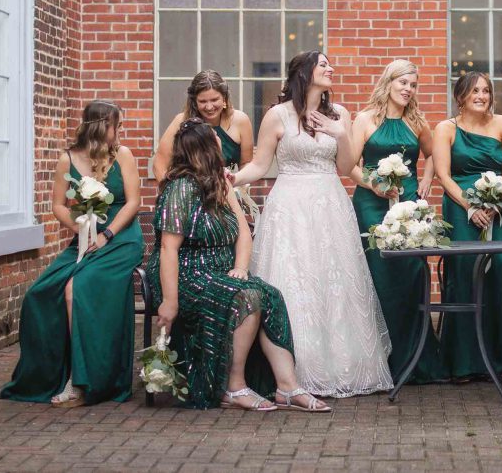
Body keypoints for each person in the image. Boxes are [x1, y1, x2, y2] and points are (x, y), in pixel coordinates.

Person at [232, 51, 393, 397]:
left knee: (334, 283)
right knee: (293, 281)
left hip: (330, 205)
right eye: (323, 65)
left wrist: (342, 134)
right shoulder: (277, 116)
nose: (331, 68)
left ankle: (339, 367)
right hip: (290, 207)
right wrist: (228, 181)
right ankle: (292, 373)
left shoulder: (341, 115)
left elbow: (347, 165)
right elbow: (260, 166)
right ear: (304, 73)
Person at [148, 119, 328, 411]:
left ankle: (287, 387)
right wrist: (170, 301)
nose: (221, 141)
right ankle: (233, 387)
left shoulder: (220, 182)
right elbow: (169, 248)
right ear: (205, 148)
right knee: (246, 297)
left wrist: (242, 267)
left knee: (268, 293)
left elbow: (243, 231)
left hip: (220, 271)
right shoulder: (180, 188)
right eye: (215, 139)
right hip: (186, 273)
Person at [0, 101, 144, 407]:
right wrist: (81, 229)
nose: (120, 131)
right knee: (39, 293)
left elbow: (132, 203)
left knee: (75, 288)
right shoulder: (67, 159)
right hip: (86, 237)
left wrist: (106, 234)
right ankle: (48, 373)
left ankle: (81, 381)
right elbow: (58, 206)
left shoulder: (123, 155)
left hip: (121, 238)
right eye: (116, 125)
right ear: (100, 125)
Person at [350, 59, 445, 383]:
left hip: (407, 208)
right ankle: (381, 361)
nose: (408, 89)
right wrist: (371, 183)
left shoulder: (417, 121)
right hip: (371, 207)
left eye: (413, 85)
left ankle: (416, 359)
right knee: (379, 273)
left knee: (413, 272)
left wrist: (427, 180)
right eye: (403, 83)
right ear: (388, 83)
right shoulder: (365, 119)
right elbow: (349, 164)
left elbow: (432, 155)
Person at [432, 72, 502, 379]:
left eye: (486, 91)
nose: (482, 96)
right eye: (475, 91)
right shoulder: (446, 128)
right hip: (461, 208)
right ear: (461, 97)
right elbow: (443, 175)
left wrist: (498, 200)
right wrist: (471, 207)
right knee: (465, 273)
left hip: (501, 208)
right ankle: (465, 362)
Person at [153, 70, 253, 180]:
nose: (209, 107)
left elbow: (246, 163)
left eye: (214, 100)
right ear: (194, 101)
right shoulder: (181, 121)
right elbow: (159, 165)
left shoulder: (240, 120)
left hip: (229, 189)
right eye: (203, 101)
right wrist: (173, 193)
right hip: (191, 193)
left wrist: (236, 181)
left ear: (224, 97)